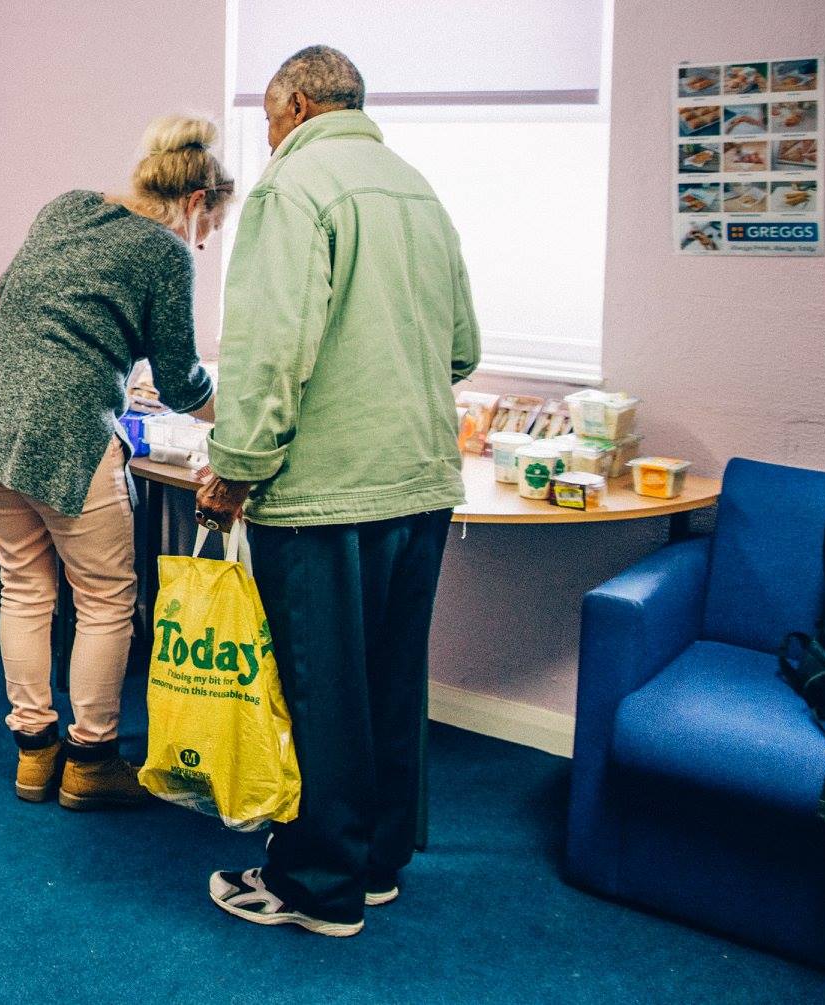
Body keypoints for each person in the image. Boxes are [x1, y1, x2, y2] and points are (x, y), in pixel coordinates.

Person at [197, 45, 480, 936]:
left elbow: (271, 348)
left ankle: (318, 886)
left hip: (327, 495)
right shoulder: (415, 188)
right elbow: (463, 347)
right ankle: (379, 860)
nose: (270, 137)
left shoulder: (295, 187)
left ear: (299, 105)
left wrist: (237, 469)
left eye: (272, 119)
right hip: (421, 483)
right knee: (392, 681)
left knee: (321, 690)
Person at [0, 114, 234, 810]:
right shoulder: (166, 253)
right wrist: (236, 416)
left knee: (23, 585)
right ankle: (90, 760)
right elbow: (180, 384)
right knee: (106, 599)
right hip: (68, 430)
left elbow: (28, 299)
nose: (203, 243)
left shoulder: (68, 206)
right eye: (210, 228)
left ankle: (33, 752)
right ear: (197, 202)